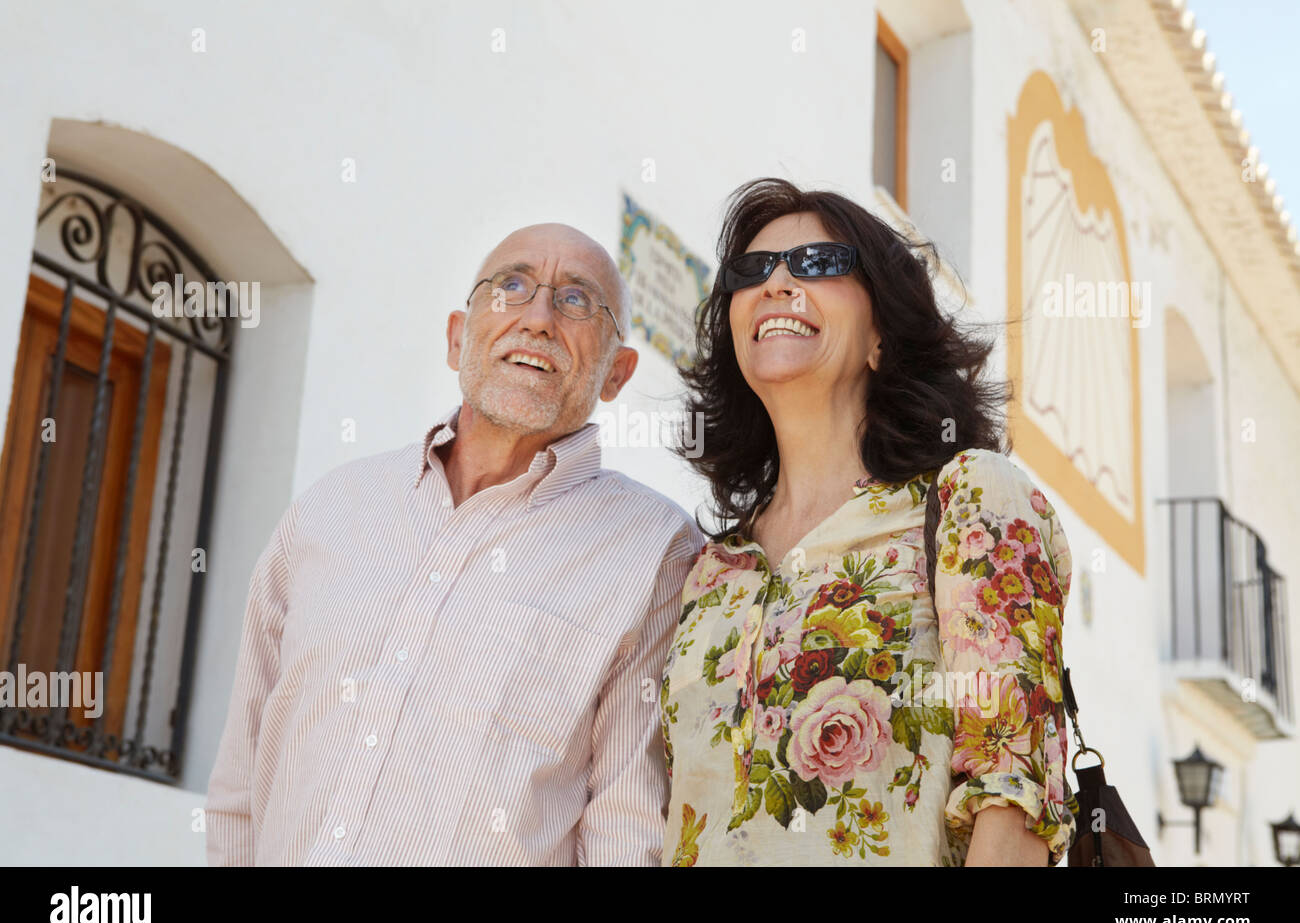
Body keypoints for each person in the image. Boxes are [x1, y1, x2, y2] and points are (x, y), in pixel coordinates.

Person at [206, 223, 705, 865]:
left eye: (577, 300)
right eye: (512, 286)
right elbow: (242, 781)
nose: (538, 318)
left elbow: (626, 833)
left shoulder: (654, 550)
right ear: (456, 337)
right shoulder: (332, 509)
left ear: (617, 372)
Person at [660, 178, 1079, 866]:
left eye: (820, 263)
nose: (778, 282)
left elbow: (1016, 806)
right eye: (752, 270)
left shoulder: (971, 500)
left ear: (882, 335)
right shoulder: (710, 571)